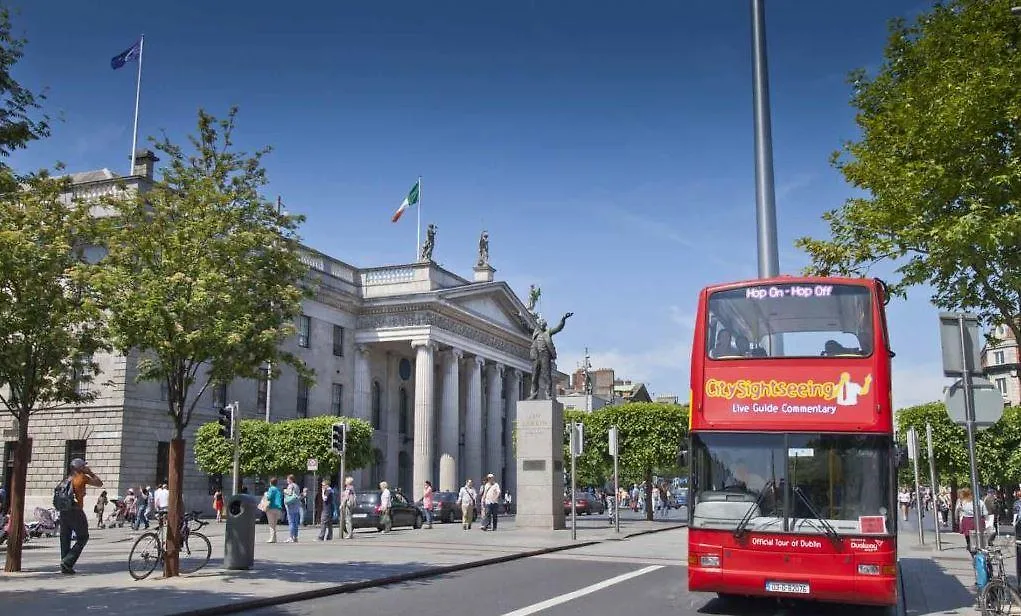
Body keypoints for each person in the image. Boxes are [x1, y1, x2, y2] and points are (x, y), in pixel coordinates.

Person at [60, 458, 102, 574]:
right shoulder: (82, 477)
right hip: (76, 511)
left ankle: (65, 565)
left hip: (63, 511)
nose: (85, 468)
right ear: (79, 468)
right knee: (83, 537)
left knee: (65, 537)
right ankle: (68, 562)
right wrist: (90, 473)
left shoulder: (66, 479)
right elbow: (99, 483)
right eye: (84, 466)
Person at [264, 477, 284, 543]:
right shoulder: (278, 489)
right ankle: (274, 538)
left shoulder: (271, 489)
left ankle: (272, 538)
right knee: (275, 524)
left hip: (271, 508)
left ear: (270, 483)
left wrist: (266, 494)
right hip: (278, 508)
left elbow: (269, 497)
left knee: (271, 524)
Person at [284, 475, 302, 543]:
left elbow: (289, 494)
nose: (287, 480)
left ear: (291, 479)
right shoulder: (297, 486)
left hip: (291, 506)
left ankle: (291, 537)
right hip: (296, 506)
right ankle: (295, 537)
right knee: (295, 522)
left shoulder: (290, 486)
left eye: (288, 479)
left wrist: (285, 491)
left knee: (291, 522)